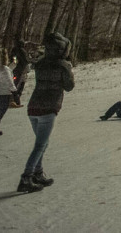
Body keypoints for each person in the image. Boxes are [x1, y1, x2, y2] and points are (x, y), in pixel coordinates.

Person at [19, 32, 75, 193]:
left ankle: (37, 173)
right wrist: (69, 71)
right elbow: (69, 86)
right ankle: (26, 177)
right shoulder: (63, 65)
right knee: (40, 144)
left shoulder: (41, 63)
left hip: (33, 107)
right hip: (48, 108)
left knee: (42, 142)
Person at [10, 39, 31, 107]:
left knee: (15, 84)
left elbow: (14, 59)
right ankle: (16, 101)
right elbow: (26, 60)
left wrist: (15, 63)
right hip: (21, 70)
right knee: (20, 85)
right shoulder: (22, 51)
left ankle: (12, 100)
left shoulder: (14, 50)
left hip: (15, 69)